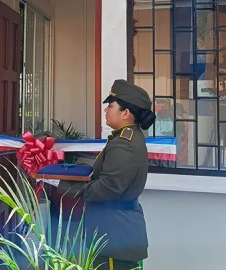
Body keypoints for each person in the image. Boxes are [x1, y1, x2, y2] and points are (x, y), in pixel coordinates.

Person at [53, 79, 155, 270]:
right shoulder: (128, 137)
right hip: (117, 231)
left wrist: (60, 184)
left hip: (114, 236)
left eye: (110, 106)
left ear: (125, 113)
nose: (106, 110)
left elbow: (107, 189)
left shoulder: (123, 144)